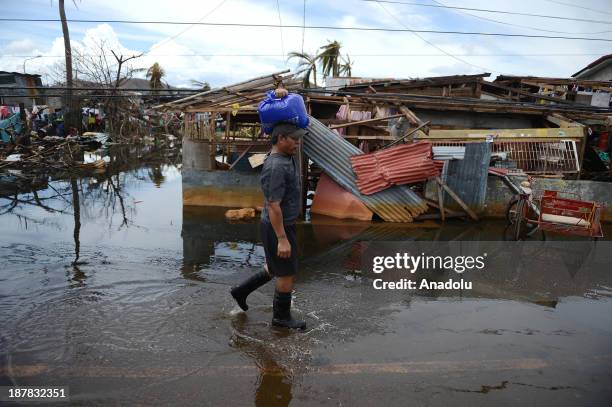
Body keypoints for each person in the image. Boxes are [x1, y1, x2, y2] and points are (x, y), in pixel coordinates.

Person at [230, 102, 307, 330]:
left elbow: (283, 106)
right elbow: (274, 205)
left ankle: (240, 291)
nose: (298, 142)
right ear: (281, 138)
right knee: (287, 273)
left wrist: (280, 92)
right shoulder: (275, 166)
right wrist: (282, 238)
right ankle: (281, 318)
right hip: (277, 226)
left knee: (276, 268)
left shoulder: (286, 157)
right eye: (294, 139)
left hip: (280, 225)